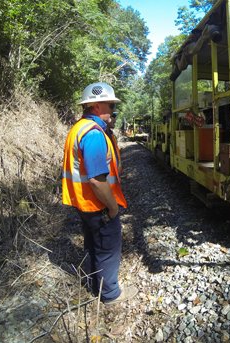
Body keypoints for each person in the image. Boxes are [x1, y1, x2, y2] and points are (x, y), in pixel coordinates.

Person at [62, 82, 137, 304]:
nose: (113, 108)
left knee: (94, 245)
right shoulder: (93, 134)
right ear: (95, 106)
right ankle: (110, 294)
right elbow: (96, 179)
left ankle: (96, 286)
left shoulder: (79, 128)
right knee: (108, 248)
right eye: (110, 104)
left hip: (84, 203)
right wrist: (113, 207)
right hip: (99, 204)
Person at [106, 111, 123, 176]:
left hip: (114, 176)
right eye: (113, 117)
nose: (115, 120)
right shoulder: (101, 135)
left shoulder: (110, 134)